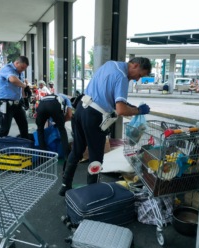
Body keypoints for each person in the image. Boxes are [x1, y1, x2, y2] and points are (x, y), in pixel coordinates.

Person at [58, 57, 152, 196]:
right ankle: (92, 192)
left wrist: (130, 107)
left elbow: (106, 94)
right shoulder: (122, 78)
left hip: (80, 109)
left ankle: (65, 185)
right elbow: (120, 110)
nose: (137, 79)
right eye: (139, 75)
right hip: (94, 117)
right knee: (96, 156)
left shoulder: (110, 64)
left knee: (77, 150)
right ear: (135, 65)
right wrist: (139, 110)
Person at [0, 56, 30, 140]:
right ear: (16, 63)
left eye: (24, 69)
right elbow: (13, 80)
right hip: (5, 104)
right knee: (4, 129)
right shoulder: (7, 69)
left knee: (24, 127)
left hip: (17, 103)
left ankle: (25, 147)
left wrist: (25, 99)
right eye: (22, 67)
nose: (22, 70)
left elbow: (20, 87)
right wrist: (25, 86)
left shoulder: (20, 72)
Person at [35, 93, 72, 159]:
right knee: (62, 130)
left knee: (40, 130)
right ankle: (67, 155)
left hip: (41, 105)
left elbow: (47, 118)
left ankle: (43, 155)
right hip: (54, 105)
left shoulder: (48, 96)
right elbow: (69, 115)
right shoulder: (67, 99)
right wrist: (61, 123)